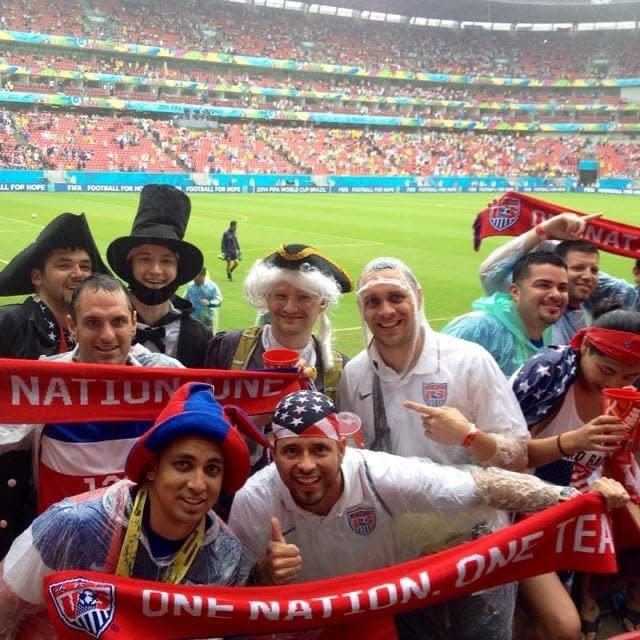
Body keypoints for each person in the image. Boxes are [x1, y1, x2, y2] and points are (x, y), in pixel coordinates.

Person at [229, 390, 629, 640]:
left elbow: (483, 485)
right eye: (291, 451)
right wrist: (264, 574)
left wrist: (570, 497)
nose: (306, 465)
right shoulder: (255, 499)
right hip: (300, 625)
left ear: (343, 450)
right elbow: (229, 598)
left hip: (370, 613)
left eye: (319, 450)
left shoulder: (379, 473)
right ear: (272, 453)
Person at [337, 257, 530, 640]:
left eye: (396, 296)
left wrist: (470, 436)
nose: (386, 310)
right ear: (362, 310)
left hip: (475, 545)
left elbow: (519, 457)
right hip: (399, 553)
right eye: (372, 301)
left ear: (418, 298)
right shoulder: (355, 373)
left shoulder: (469, 362)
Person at [0, 381, 268, 639]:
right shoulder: (73, 525)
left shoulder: (224, 552)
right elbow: (5, 606)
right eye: (183, 465)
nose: (198, 485)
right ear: (152, 468)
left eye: (212, 469)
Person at [511, 309, 640, 639]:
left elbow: (610, 462)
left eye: (629, 376)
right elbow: (501, 456)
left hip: (576, 514)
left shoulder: (629, 399)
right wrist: (570, 442)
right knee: (561, 625)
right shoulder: (550, 376)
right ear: (584, 347)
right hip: (519, 511)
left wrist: (606, 485)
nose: (614, 383)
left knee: (544, 623)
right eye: (606, 369)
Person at [0, 212, 110, 558]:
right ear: (36, 277)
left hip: (73, 497)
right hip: (14, 501)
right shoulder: (11, 322)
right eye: (64, 265)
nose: (78, 274)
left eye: (85, 265)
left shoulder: (93, 335)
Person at [35, 273, 184, 513]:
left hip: (138, 541)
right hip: (60, 542)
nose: (107, 336)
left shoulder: (165, 377)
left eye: (118, 322)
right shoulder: (41, 382)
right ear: (72, 326)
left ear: (133, 323)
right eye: (93, 322)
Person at [206, 243, 353, 402]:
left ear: (323, 303)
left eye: (304, 297)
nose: (290, 308)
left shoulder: (341, 370)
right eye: (281, 296)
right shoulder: (228, 347)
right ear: (266, 297)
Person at [479, 212, 640, 343]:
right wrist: (544, 231)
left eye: (594, 270)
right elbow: (490, 272)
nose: (588, 276)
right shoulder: (531, 304)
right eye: (578, 268)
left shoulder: (586, 307)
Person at [106, 184, 212, 368]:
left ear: (178, 269)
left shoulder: (199, 336)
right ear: (130, 264)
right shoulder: (102, 328)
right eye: (145, 259)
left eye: (166, 261)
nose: (156, 270)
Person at [442, 251, 569, 376]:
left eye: (562, 288)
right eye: (543, 285)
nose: (556, 295)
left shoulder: (551, 334)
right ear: (515, 292)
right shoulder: (477, 329)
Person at [183, 266, 223, 333]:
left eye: (196, 276)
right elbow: (185, 298)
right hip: (194, 317)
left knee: (209, 339)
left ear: (203, 275)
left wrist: (210, 303)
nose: (194, 279)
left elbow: (219, 300)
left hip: (208, 319)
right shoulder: (190, 286)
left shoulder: (212, 286)